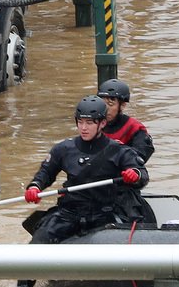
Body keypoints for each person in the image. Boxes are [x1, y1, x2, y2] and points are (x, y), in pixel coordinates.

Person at [24, 96, 149, 245]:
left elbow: (142, 175)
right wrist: (35, 186)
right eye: (80, 122)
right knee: (39, 240)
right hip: (69, 213)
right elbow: (46, 172)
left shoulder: (119, 151)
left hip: (104, 214)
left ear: (102, 123)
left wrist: (135, 175)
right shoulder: (64, 148)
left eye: (89, 123)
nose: (83, 128)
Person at [97, 78, 154, 162]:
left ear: (122, 105)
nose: (106, 109)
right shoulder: (92, 124)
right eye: (102, 103)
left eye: (110, 104)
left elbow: (141, 155)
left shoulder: (135, 128)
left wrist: (119, 149)